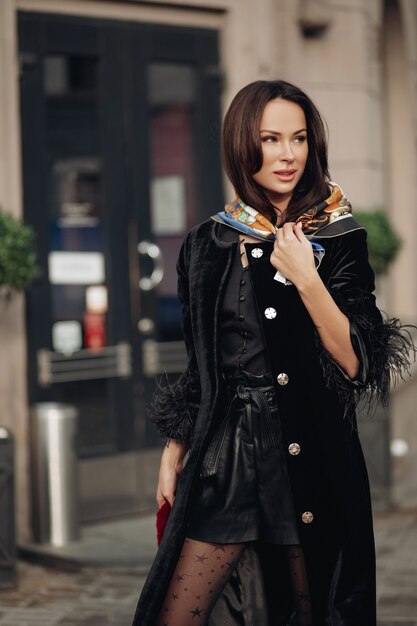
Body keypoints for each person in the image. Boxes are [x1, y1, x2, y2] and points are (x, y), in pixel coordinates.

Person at [132, 80, 415, 626]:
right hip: (225, 456)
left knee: (309, 612)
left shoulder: (337, 237)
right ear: (243, 144)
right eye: (270, 139)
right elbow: (201, 366)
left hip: (310, 453)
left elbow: (359, 363)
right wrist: (174, 450)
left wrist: (307, 278)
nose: (288, 155)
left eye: (299, 139)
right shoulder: (206, 244)